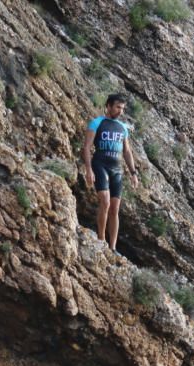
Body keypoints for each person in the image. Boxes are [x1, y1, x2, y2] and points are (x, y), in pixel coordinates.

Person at [83, 94, 138, 252]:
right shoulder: (96, 123)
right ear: (108, 106)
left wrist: (133, 173)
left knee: (115, 207)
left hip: (116, 169)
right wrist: (88, 169)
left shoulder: (122, 128)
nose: (120, 111)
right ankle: (101, 239)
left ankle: (112, 247)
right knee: (105, 202)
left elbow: (127, 152)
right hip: (100, 165)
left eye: (122, 108)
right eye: (117, 107)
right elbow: (86, 147)